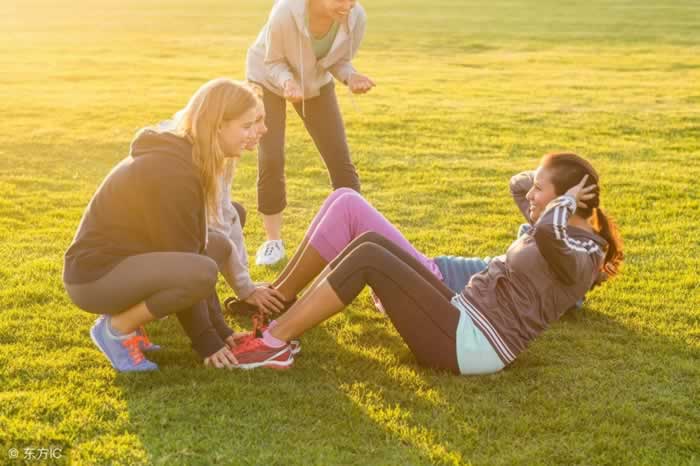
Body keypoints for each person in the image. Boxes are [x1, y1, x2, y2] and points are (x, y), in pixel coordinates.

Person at [231, 153, 624, 374]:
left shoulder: (586, 255)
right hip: (463, 315)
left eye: (543, 190)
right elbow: (522, 190)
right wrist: (550, 186)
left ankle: (273, 343)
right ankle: (276, 331)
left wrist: (565, 200)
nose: (533, 196)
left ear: (566, 204)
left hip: (476, 347)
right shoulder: (551, 221)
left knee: (369, 256)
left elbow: (548, 236)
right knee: (370, 241)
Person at [63, 78, 267, 372]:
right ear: (218, 125)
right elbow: (189, 265)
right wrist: (206, 341)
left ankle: (128, 326)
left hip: (126, 265)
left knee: (217, 246)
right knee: (200, 270)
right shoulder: (173, 172)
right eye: (245, 126)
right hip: (93, 278)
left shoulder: (190, 158)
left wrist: (222, 331)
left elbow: (194, 249)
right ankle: (116, 329)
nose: (251, 135)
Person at [247, 0, 375, 266]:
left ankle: (357, 239)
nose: (348, 5)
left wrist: (351, 77)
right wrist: (288, 83)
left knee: (340, 159)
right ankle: (273, 242)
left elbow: (338, 61)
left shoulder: (356, 16)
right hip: (269, 78)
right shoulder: (285, 12)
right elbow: (272, 61)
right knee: (271, 157)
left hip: (315, 82)